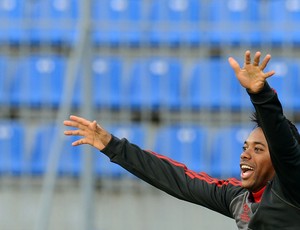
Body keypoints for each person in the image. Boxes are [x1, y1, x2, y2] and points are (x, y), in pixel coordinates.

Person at [63, 50, 300, 229]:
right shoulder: (238, 197)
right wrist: (112, 145)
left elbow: (284, 145)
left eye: (258, 149)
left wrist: (261, 95)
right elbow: (179, 179)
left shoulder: (291, 187)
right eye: (245, 147)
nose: (245, 154)